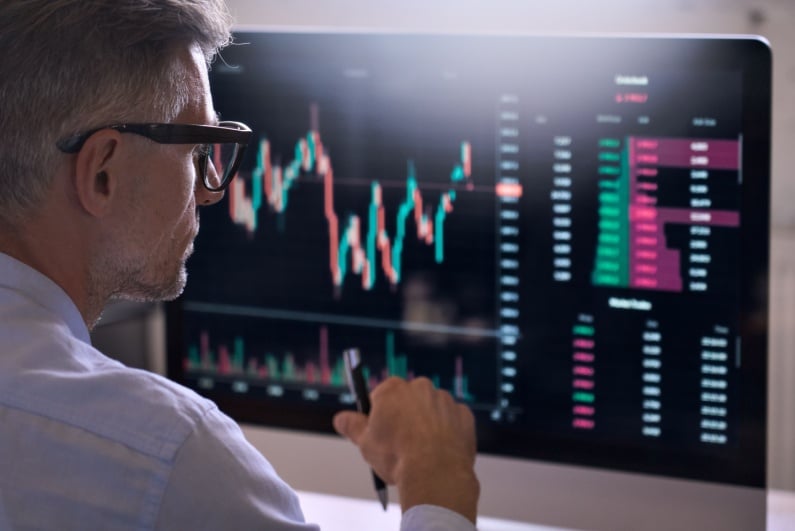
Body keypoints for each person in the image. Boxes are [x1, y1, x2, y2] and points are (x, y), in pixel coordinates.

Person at [0, 1, 479, 529]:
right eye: (196, 149)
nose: (208, 194)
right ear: (102, 174)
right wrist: (437, 479)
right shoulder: (167, 454)